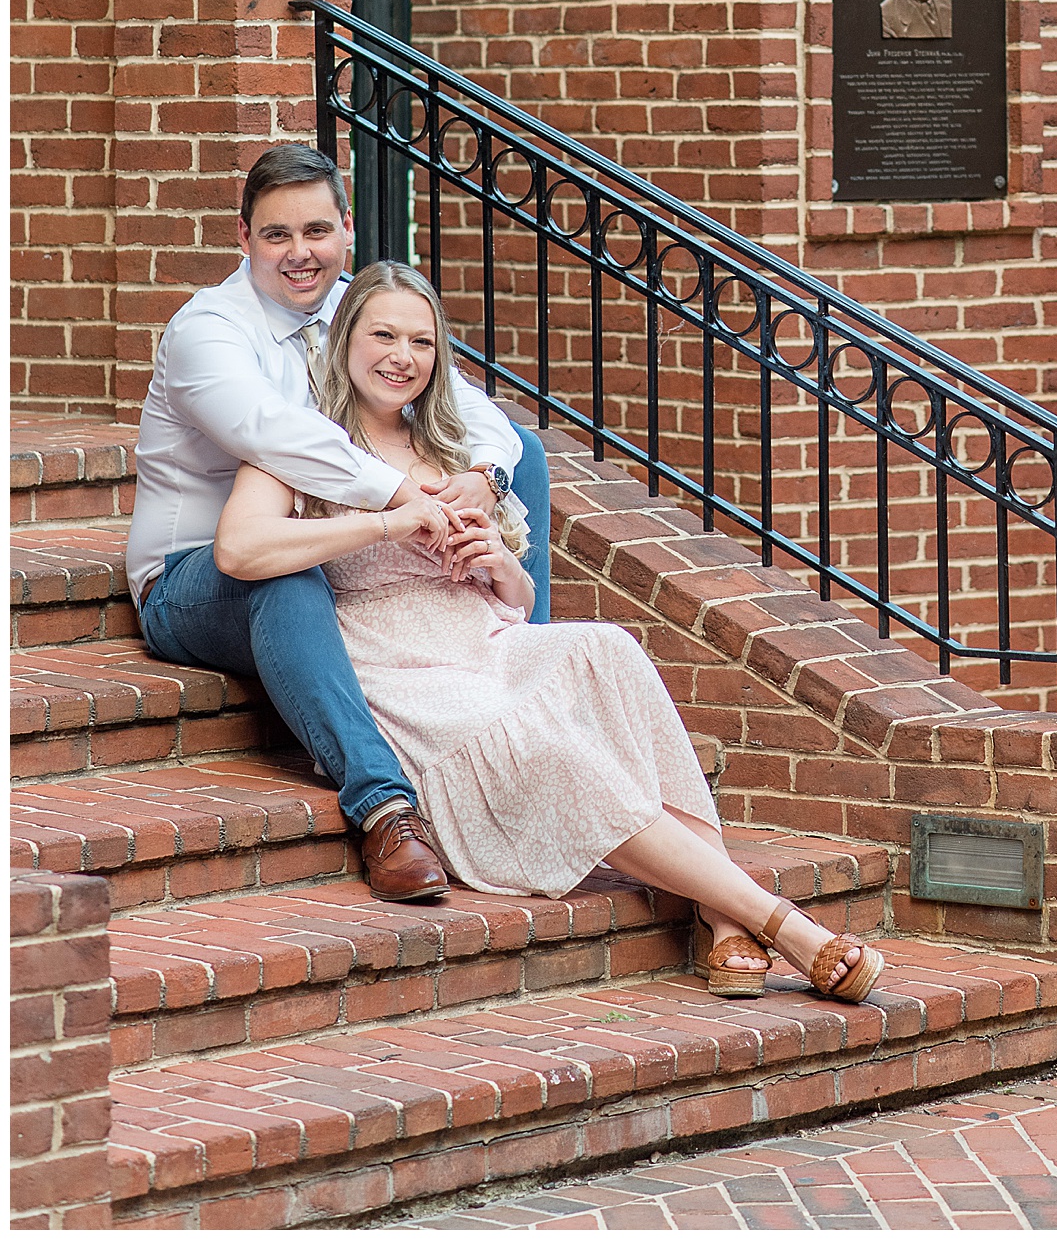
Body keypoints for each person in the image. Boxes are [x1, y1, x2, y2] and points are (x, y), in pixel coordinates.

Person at [214, 260, 885, 1006]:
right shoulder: (306, 446)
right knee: (541, 744)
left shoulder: (452, 449)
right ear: (344, 341)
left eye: (422, 342)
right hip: (402, 669)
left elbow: (520, 597)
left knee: (608, 649)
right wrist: (390, 518)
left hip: (488, 640)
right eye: (383, 335)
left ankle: (720, 913)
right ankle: (779, 925)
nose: (401, 357)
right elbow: (239, 551)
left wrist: (499, 562)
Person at [129, 143, 551, 905]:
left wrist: (480, 483)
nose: (301, 254)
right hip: (202, 572)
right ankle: (385, 809)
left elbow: (481, 417)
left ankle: (523, 670)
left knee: (528, 463)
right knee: (284, 575)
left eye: (317, 231)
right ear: (244, 236)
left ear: (348, 230)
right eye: (277, 234)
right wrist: (405, 498)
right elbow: (283, 437)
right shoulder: (210, 331)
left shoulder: (359, 311)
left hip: (337, 551)